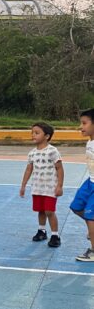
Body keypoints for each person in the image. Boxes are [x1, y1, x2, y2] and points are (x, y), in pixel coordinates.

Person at [19, 123, 64, 248]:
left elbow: (59, 168)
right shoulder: (32, 153)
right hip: (37, 187)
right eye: (32, 132)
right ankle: (42, 231)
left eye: (37, 133)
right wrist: (23, 185)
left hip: (50, 187)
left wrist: (59, 185)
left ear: (47, 136)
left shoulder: (53, 151)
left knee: (50, 211)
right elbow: (29, 169)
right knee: (41, 211)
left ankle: (55, 235)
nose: (33, 135)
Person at [70, 108, 94, 261]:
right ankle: (92, 232)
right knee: (77, 207)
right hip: (90, 182)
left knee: (91, 217)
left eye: (84, 123)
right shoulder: (90, 141)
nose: (81, 127)